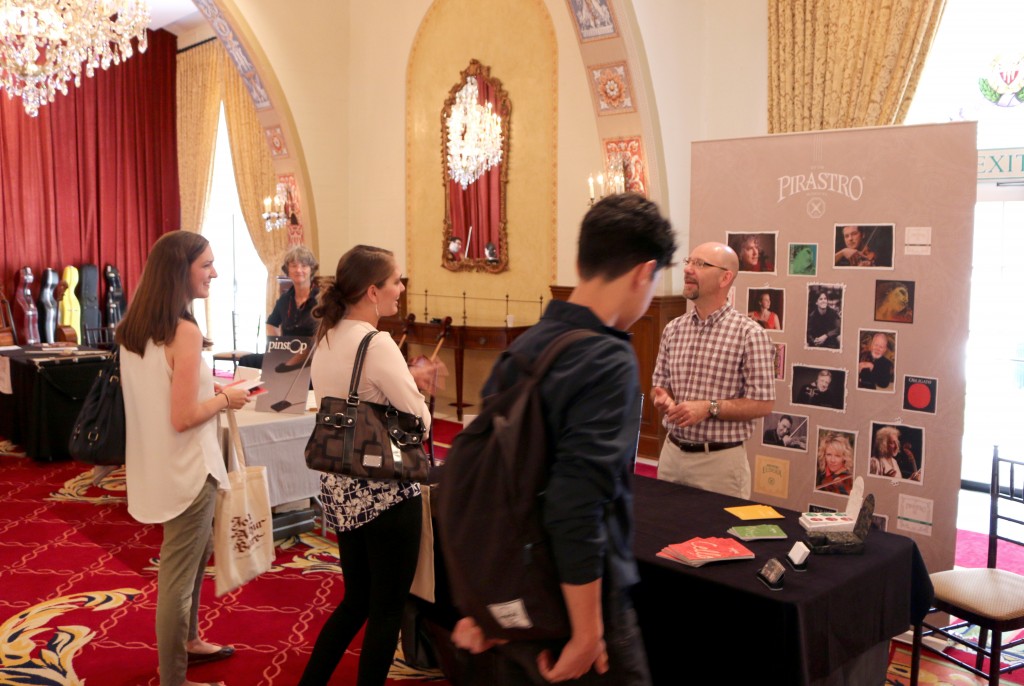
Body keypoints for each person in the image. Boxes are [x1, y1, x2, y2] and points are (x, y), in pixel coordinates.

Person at [451, 193, 676, 684]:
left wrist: (486, 603)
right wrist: (588, 632)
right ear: (644, 272)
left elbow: (489, 481)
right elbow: (577, 503)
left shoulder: (528, 345)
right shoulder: (609, 359)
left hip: (518, 590)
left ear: (581, 259)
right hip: (572, 606)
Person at [116, 231, 251, 686]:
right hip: (189, 468)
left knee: (195, 557)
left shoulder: (136, 326)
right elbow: (182, 417)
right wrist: (226, 398)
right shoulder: (185, 329)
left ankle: (190, 640)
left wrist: (205, 389)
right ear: (180, 270)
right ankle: (174, 678)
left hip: (156, 465)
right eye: (206, 265)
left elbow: (161, 390)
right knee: (177, 575)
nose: (214, 272)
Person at [299, 245, 438, 685]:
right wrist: (415, 388)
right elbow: (423, 420)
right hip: (386, 492)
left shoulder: (328, 334)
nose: (402, 288)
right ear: (373, 291)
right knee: (386, 611)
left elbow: (349, 397)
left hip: (342, 491)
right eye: (397, 280)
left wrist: (403, 382)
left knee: (356, 600)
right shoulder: (376, 343)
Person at [652, 241, 776, 500]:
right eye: (689, 261)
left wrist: (709, 408)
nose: (688, 269)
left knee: (717, 540)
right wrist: (662, 398)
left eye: (700, 264)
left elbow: (763, 404)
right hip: (671, 456)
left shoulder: (750, 335)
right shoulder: (673, 329)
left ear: (725, 278)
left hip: (719, 465)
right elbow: (659, 386)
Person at [239, 245, 320, 370]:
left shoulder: (321, 299)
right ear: (288, 270)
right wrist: (277, 344)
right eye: (294, 266)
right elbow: (271, 323)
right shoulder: (285, 299)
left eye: (304, 266)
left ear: (311, 269)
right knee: (247, 361)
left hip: (312, 356)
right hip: (286, 354)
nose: (298, 270)